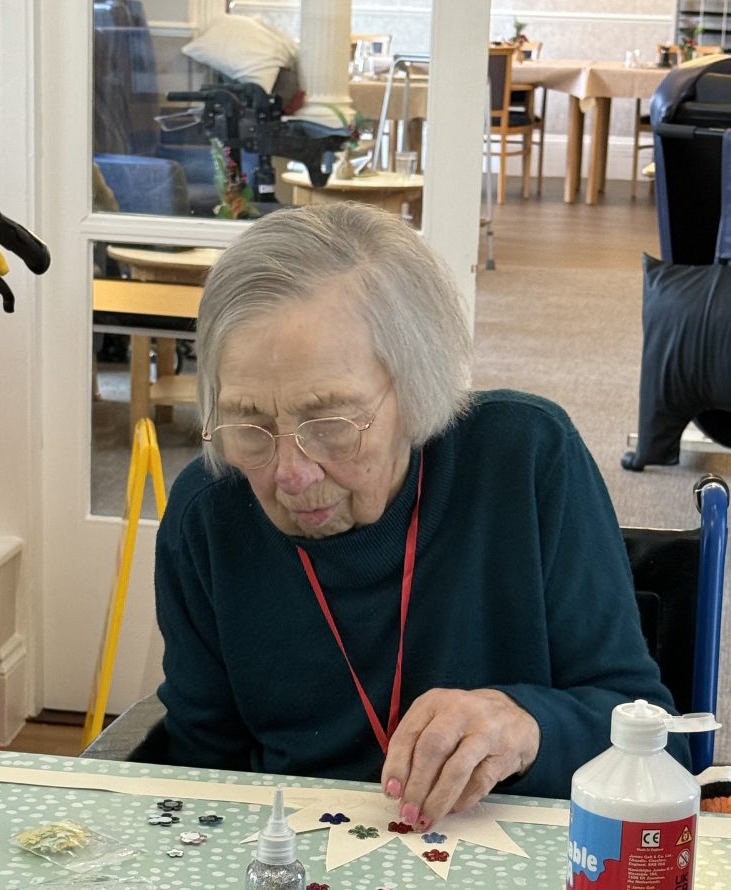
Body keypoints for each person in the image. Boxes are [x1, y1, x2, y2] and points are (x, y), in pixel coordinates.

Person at [135, 202, 689, 827]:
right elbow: (201, 771)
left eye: (331, 423)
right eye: (250, 424)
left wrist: (525, 726)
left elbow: (666, 741)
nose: (290, 473)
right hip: (291, 877)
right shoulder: (209, 515)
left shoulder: (526, 461)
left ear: (417, 387)